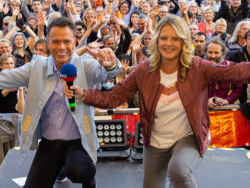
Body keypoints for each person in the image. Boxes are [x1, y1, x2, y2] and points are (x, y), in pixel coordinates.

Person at [64, 14, 250, 188]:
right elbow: (114, 98)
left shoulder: (197, 67)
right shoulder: (143, 71)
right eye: (164, 38)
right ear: (157, 40)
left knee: (178, 171)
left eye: (175, 38)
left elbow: (235, 72)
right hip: (155, 141)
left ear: (184, 42)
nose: (169, 43)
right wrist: (82, 94)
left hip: (189, 136)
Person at [0, 17, 121, 188]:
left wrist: (110, 65)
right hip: (49, 143)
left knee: (79, 170)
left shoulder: (85, 64)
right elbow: (5, 78)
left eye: (67, 41)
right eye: (56, 41)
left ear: (75, 42)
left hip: (78, 142)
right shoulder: (37, 67)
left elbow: (106, 73)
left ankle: (86, 177)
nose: (62, 47)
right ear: (49, 43)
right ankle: (61, 169)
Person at [203, 37, 243, 109]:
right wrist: (205, 101)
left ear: (223, 53)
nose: (213, 56)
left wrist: (227, 100)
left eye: (216, 53)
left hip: (227, 110)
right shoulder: (199, 69)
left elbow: (239, 89)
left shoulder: (231, 68)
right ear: (205, 52)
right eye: (210, 52)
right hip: (204, 111)